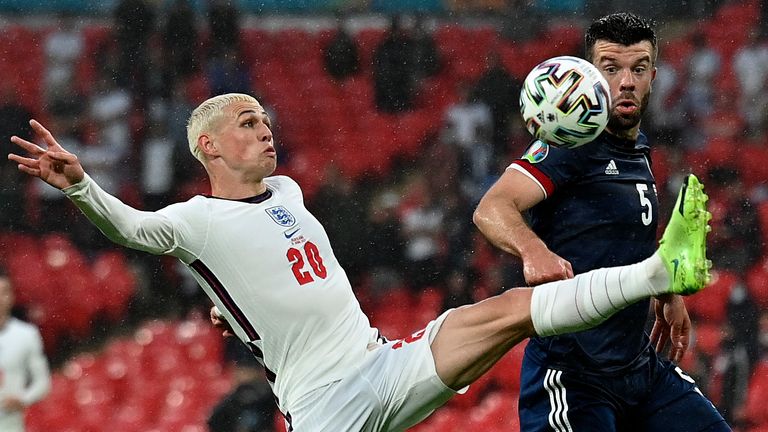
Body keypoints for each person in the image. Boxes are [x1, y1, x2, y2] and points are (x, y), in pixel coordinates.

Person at [9, 93, 711, 431]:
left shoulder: (286, 190)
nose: (265, 128)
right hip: (324, 407)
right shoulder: (193, 220)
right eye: (247, 123)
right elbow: (130, 229)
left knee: (508, 313)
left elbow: (268, 274)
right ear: (210, 149)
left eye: (265, 118)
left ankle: (659, 271)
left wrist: (237, 311)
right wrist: (79, 185)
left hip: (383, 363)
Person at [473, 13, 731, 432]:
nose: (626, 81)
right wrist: (532, 248)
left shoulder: (638, 150)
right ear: (589, 76)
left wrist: (664, 290)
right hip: (573, 376)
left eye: (638, 68)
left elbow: (621, 237)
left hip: (640, 369)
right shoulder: (569, 144)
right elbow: (492, 207)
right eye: (611, 69)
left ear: (653, 77)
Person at [0, 269, 52, 432]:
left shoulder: (27, 334)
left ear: (12, 296)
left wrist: (23, 399)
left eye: (4, 292)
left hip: (10, 424)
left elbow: (43, 382)